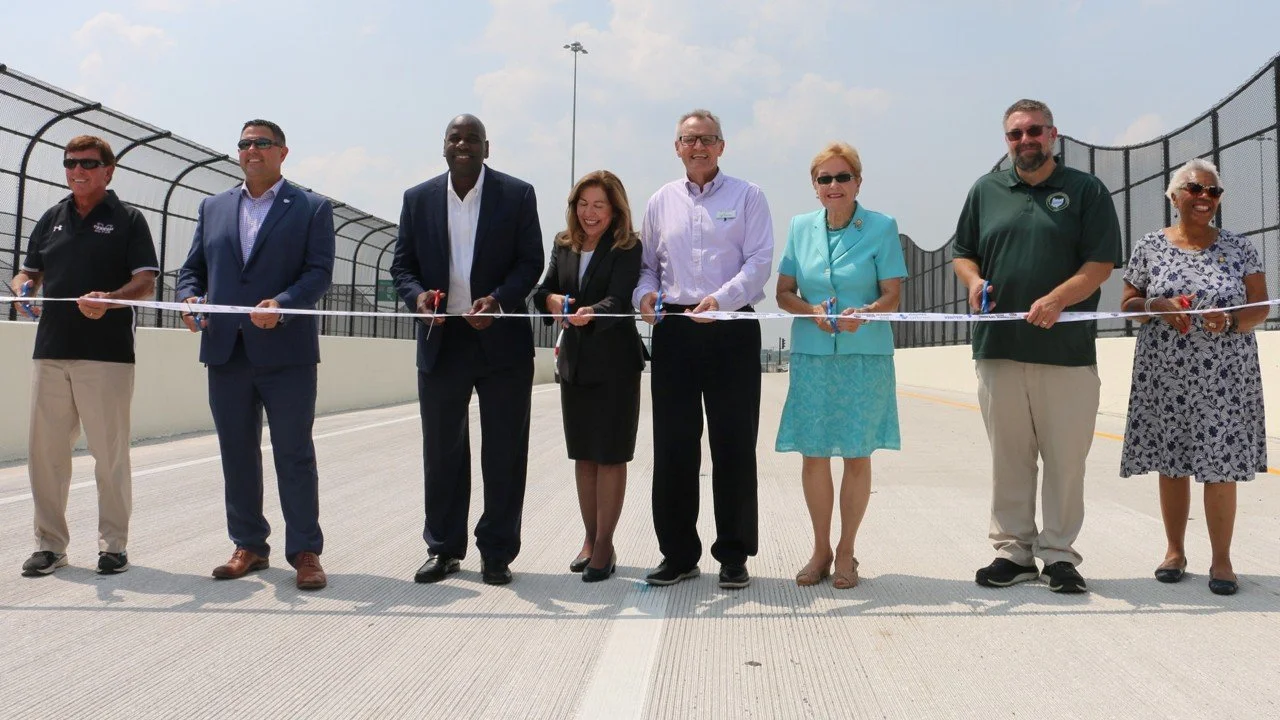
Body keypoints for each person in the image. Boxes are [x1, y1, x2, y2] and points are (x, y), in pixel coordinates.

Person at [952, 99, 1122, 594]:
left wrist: (1058, 299)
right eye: (1014, 134)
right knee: (1010, 457)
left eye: (1034, 131)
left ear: (1053, 135)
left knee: (1066, 460)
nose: (1025, 140)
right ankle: (1014, 552)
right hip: (998, 347)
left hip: (1066, 352)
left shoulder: (1085, 190)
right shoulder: (985, 191)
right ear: (1006, 141)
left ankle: (1060, 555)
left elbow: (1100, 264)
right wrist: (973, 280)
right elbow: (963, 253)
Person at [176, 120, 336, 591]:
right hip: (226, 351)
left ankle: (305, 551)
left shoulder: (311, 207)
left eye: (261, 143)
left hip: (286, 353)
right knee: (237, 453)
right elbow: (192, 271)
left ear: (282, 152)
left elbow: (319, 274)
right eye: (244, 144)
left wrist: (283, 306)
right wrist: (189, 299)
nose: (251, 150)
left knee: (294, 453)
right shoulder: (213, 207)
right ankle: (249, 544)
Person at [390, 114, 543, 586]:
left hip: (501, 342)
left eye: (471, 138)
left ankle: (496, 553)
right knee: (442, 451)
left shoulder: (517, 195)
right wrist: (417, 297)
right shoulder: (417, 200)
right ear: (444, 146)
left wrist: (498, 300)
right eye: (455, 138)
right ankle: (443, 548)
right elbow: (402, 266)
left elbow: (530, 262)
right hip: (443, 339)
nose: (463, 144)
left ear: (486, 147)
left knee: (504, 450)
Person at [633, 109, 774, 589]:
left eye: (708, 139)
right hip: (674, 329)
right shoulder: (659, 201)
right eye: (689, 140)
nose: (699, 147)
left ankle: (733, 555)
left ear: (722, 145)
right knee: (674, 446)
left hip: (731, 326)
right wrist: (643, 297)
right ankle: (678, 553)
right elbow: (648, 266)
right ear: (676, 147)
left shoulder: (748, 195)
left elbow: (759, 263)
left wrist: (723, 300)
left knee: (733, 444)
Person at [1118, 159, 1268, 596]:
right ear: (1174, 196)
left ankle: (1222, 560)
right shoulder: (1149, 246)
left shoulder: (1240, 248)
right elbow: (1128, 303)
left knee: (1220, 466)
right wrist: (1155, 306)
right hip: (1166, 371)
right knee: (1173, 461)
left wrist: (1232, 321)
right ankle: (1174, 551)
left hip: (1225, 374)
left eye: (1213, 191)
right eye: (1195, 189)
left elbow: (1260, 306)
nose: (1205, 197)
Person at [11, 135, 158, 577]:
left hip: (107, 355)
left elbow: (146, 281)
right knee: (45, 453)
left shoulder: (129, 219)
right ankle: (50, 546)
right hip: (51, 351)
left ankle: (113, 546)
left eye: (89, 164)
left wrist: (112, 299)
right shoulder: (51, 217)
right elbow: (29, 270)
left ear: (108, 171)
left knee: (108, 453)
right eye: (71, 163)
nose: (78, 170)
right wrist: (21, 288)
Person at [774, 142, 906, 589]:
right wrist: (811, 311)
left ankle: (847, 550)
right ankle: (820, 548)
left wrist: (866, 312)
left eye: (842, 177)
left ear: (858, 182)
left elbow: (892, 295)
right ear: (814, 187)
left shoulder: (883, 227)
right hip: (812, 356)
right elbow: (784, 292)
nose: (834, 186)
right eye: (825, 179)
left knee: (856, 454)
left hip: (864, 355)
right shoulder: (798, 227)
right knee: (813, 455)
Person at [533, 171, 645, 583]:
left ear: (614, 208)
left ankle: (604, 546)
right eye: (583, 204)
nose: (590, 213)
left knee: (610, 455)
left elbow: (620, 297)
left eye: (599, 205)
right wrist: (551, 298)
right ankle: (590, 537)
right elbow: (540, 291)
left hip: (615, 364)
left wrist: (593, 312)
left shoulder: (628, 247)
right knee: (583, 455)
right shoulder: (564, 244)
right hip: (575, 364)